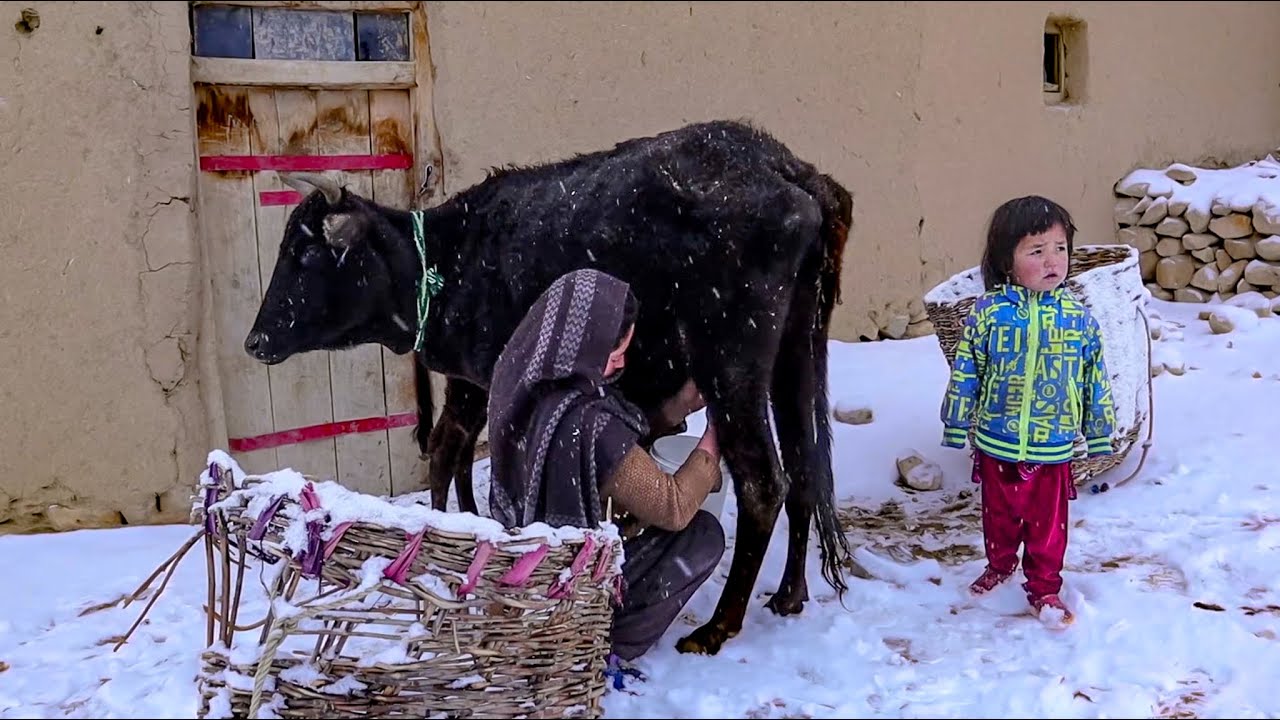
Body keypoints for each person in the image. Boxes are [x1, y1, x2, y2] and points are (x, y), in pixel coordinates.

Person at [487, 268, 726, 662]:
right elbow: (673, 506)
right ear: (590, 346)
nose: (621, 363)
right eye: (616, 354)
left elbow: (610, 441)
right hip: (567, 583)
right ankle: (607, 643)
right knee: (702, 535)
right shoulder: (586, 425)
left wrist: (678, 407)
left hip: (522, 564)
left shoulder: (521, 382)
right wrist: (715, 436)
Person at [939, 195, 1117, 627]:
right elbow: (967, 371)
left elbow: (1095, 378)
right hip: (997, 442)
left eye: (1060, 248)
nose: (1052, 260)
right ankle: (999, 566)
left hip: (1052, 447)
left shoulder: (1078, 319)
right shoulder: (989, 315)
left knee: (1047, 527)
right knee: (998, 518)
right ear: (1007, 262)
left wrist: (1098, 433)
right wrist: (956, 422)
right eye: (1036, 251)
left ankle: (1044, 588)